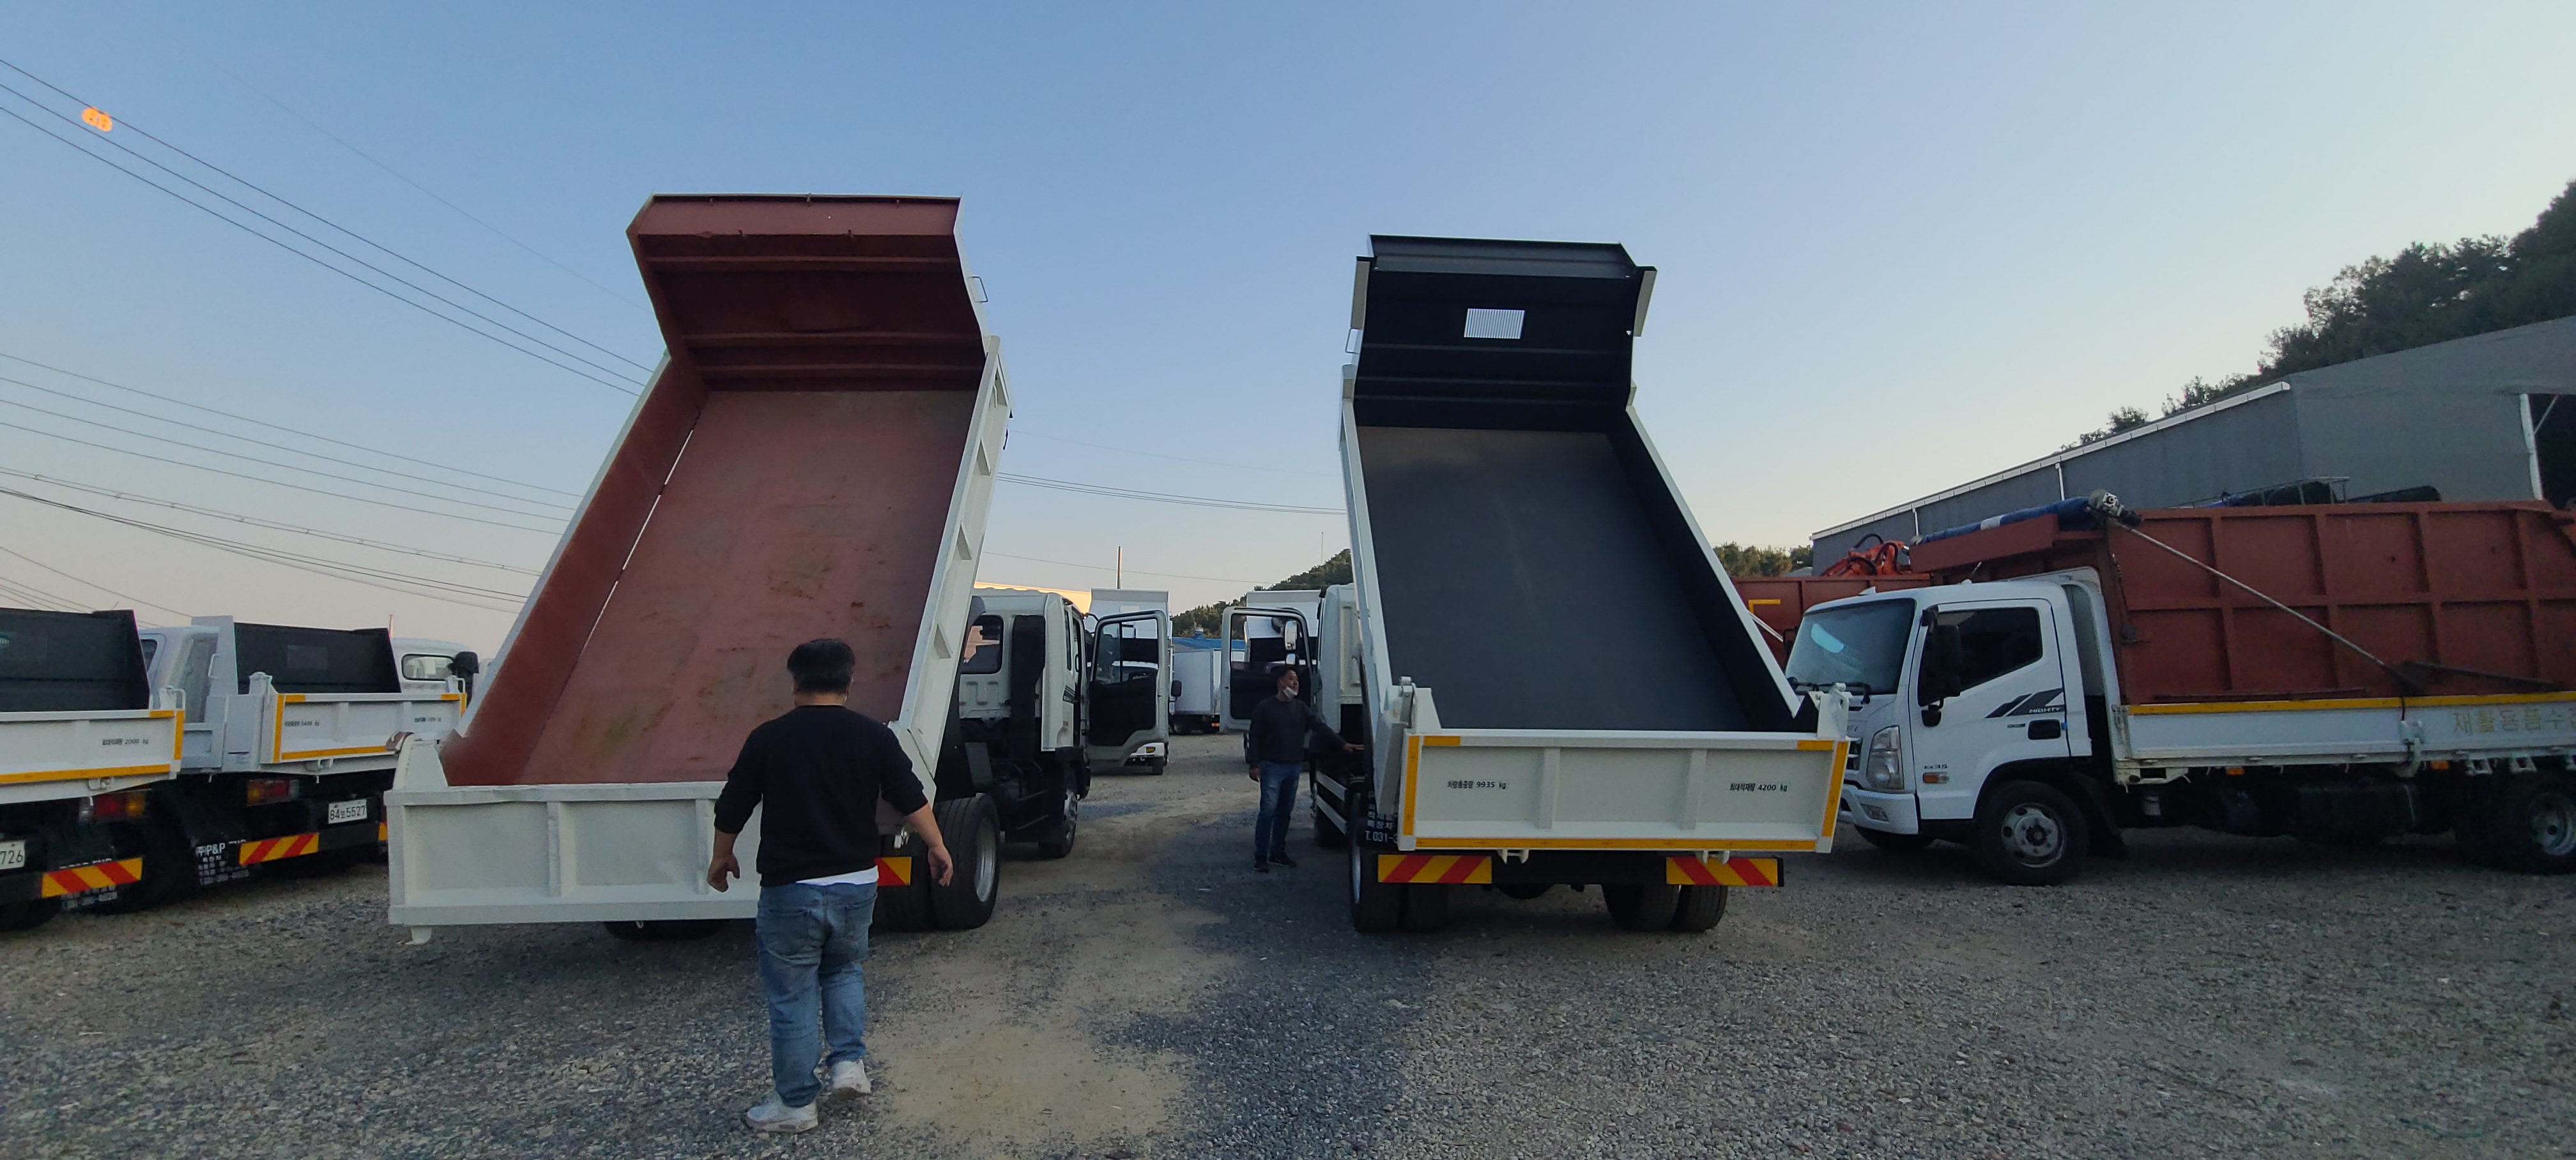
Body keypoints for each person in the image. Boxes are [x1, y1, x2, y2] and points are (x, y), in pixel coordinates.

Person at [707, 637, 956, 1135]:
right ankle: (848, 1064)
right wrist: (937, 845)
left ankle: (796, 1104)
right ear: (849, 682)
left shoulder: (769, 738)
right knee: (844, 971)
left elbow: (734, 803)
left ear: (795, 682)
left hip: (792, 889)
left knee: (793, 995)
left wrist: (721, 854)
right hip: (857, 884)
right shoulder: (873, 736)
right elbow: (910, 795)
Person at [1244, 666, 1360, 872]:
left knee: (1285, 812)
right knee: (1268, 811)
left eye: (1297, 679)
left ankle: (1278, 853)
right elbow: (1255, 737)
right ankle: (1261, 856)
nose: (1296, 683)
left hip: (1293, 767)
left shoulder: (1301, 708)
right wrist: (1254, 764)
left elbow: (1319, 727)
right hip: (1272, 767)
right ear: (1280, 683)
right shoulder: (1265, 708)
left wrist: (1342, 744)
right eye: (1291, 679)